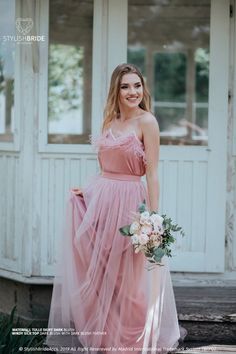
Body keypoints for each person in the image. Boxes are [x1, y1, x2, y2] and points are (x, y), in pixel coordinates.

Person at [46, 63, 187, 354]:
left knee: (130, 280)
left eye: (137, 85)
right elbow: (105, 170)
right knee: (104, 272)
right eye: (125, 86)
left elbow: (152, 173)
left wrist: (153, 218)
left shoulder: (147, 121)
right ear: (116, 90)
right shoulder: (109, 122)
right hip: (102, 203)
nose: (132, 92)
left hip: (131, 206)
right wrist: (85, 193)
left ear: (143, 89)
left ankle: (133, 341)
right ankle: (109, 339)